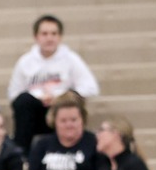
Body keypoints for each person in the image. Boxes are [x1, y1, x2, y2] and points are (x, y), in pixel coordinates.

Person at [7, 15, 99, 154]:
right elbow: (14, 94)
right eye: (44, 34)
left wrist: (59, 97)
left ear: (60, 37)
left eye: (54, 34)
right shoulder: (25, 62)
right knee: (23, 101)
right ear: (36, 37)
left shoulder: (71, 59)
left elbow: (91, 88)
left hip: (61, 109)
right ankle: (21, 155)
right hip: (35, 113)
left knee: (71, 100)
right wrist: (39, 97)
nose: (49, 38)